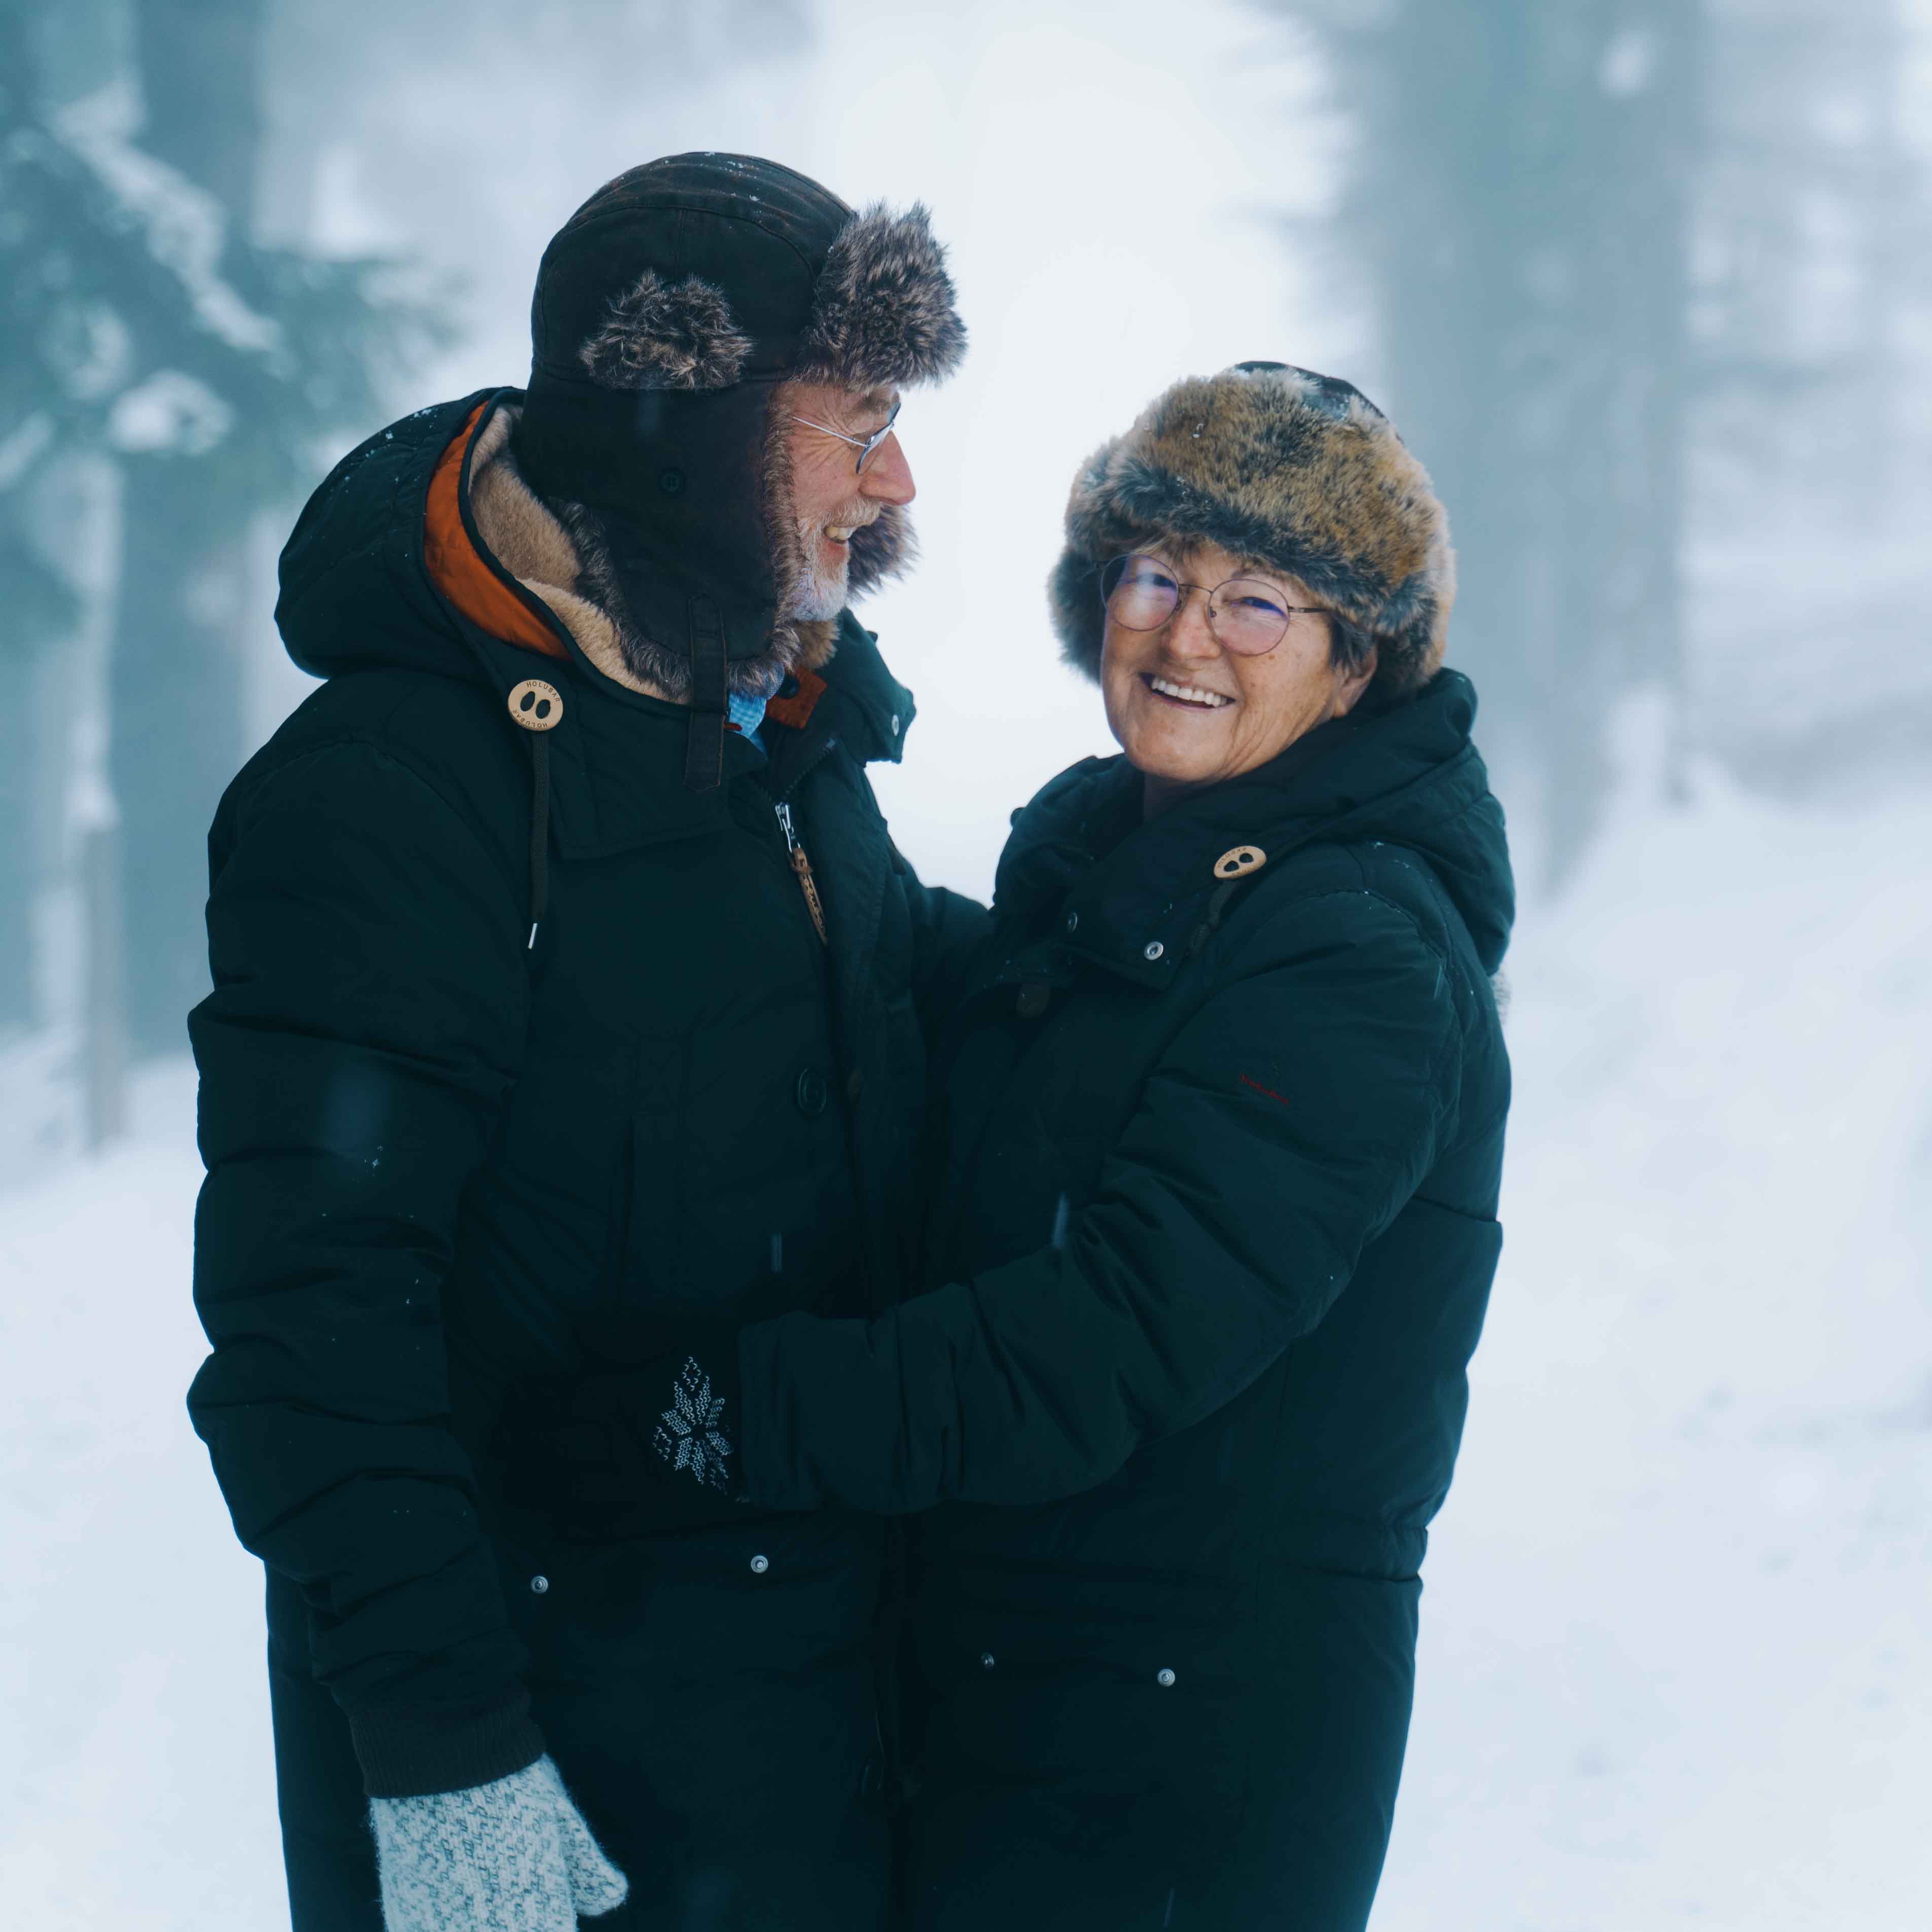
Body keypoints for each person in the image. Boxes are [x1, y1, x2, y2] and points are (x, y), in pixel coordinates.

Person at [543, 361, 1514, 1929]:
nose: (1186, 633)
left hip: (1183, 1748)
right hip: (1017, 1694)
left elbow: (1106, 1335)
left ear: (1358, 665)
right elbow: (919, 991)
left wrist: (728, 1413)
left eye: (1260, 601)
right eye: (1155, 575)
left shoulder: (1352, 948)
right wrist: (757, 794)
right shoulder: (1136, 888)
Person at [185, 153, 982, 1932]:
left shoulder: (770, 719)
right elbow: (315, 1322)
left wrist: (1220, 935)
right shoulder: (395, 789)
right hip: (554, 1737)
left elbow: (894, 1008)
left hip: (799, 1722)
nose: (895, 474)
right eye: (850, 418)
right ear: (686, 425)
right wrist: (443, 1750)